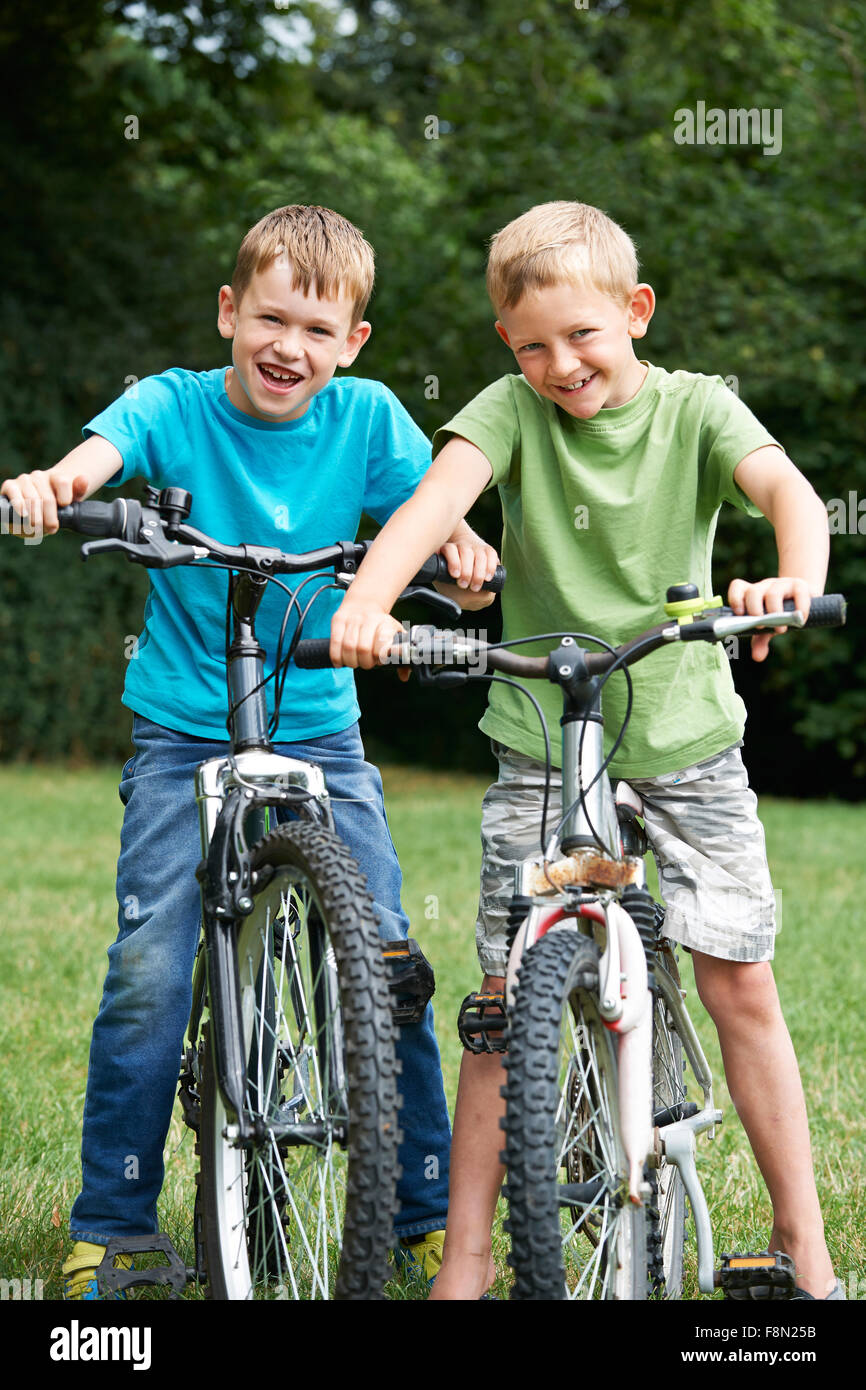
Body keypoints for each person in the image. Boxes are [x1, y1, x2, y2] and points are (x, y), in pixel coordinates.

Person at [328, 200, 843, 1301]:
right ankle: (462, 1264)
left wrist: (786, 580)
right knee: (500, 1001)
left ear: (634, 312)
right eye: (531, 345)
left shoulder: (698, 409)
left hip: (683, 736)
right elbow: (433, 504)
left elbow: (787, 496)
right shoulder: (510, 411)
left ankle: (804, 1246)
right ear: (507, 350)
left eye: (582, 336)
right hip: (541, 736)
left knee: (737, 977)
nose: (560, 365)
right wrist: (369, 602)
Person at [2, 203, 498, 1299]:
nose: (291, 346)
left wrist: (457, 545)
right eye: (270, 317)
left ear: (354, 343)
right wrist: (56, 488)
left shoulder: (368, 420)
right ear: (230, 312)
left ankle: (418, 1208)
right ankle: (115, 1222)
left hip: (319, 725)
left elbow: (429, 513)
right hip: (185, 729)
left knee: (387, 962)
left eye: (319, 331)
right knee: (148, 967)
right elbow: (97, 458)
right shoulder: (172, 405)